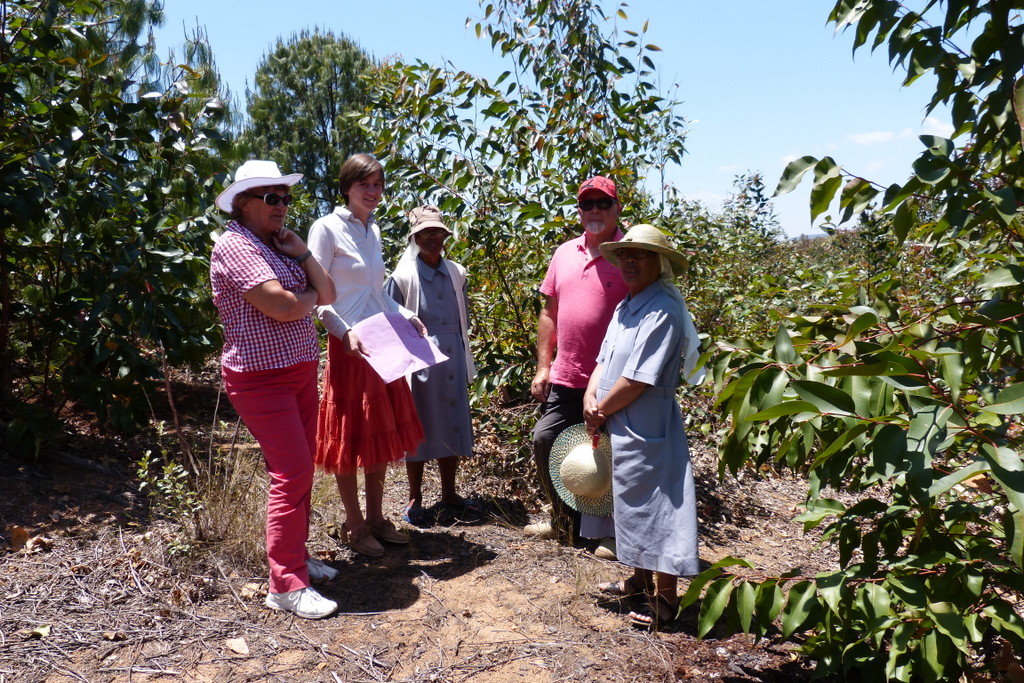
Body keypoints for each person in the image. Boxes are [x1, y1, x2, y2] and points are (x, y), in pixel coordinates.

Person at [210, 159, 339, 619]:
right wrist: (304, 302)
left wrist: (302, 253)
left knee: (301, 468)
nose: (282, 205)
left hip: (299, 369)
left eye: (285, 197)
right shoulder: (235, 246)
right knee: (292, 472)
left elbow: (328, 293)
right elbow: (285, 308)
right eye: (271, 198)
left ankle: (297, 559)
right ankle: (284, 584)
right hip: (260, 378)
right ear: (243, 204)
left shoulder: (280, 245)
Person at [583, 223, 704, 630]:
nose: (631, 262)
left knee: (659, 506)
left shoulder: (664, 310)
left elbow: (638, 379)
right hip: (617, 416)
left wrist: (600, 410)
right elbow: (603, 360)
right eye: (627, 255)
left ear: (660, 262)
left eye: (641, 255)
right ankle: (638, 581)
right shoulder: (626, 305)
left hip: (646, 419)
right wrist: (589, 397)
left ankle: (666, 600)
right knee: (628, 503)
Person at [308, 153, 425, 557]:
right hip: (349, 348)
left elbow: (376, 294)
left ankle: (375, 518)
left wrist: (407, 315)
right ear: (347, 187)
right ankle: (354, 525)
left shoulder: (372, 230)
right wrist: (343, 332)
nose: (373, 192)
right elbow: (317, 298)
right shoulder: (325, 228)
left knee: (378, 433)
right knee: (350, 437)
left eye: (378, 185)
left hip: (381, 342)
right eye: (366, 185)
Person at [527, 175, 629, 557]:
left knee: (615, 454)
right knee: (546, 439)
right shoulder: (564, 253)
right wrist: (544, 367)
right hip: (568, 377)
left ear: (618, 208)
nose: (595, 211)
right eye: (588, 205)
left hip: (614, 381)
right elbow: (549, 312)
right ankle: (562, 521)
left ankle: (612, 534)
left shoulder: (630, 253)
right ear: (579, 211)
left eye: (603, 203)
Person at [385, 205, 479, 526]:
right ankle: (415, 496)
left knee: (451, 421)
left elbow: (461, 316)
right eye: (426, 233)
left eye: (438, 232)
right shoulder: (401, 278)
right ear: (415, 237)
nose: (433, 238)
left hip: (452, 354)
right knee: (419, 428)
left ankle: (449, 493)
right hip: (419, 363)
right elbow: (390, 318)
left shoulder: (457, 272)